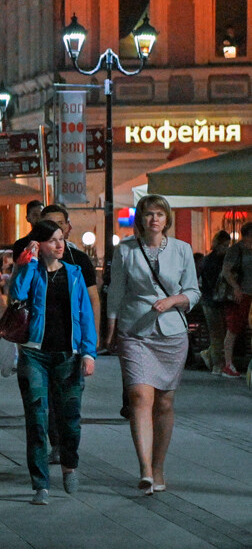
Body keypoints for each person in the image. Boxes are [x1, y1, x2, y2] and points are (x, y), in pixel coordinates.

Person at [105, 194, 201, 495]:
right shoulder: (126, 251)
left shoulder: (182, 250)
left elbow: (194, 292)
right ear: (140, 219)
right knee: (138, 396)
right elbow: (115, 292)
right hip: (135, 330)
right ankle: (145, 469)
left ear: (167, 219)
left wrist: (173, 300)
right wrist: (110, 330)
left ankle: (159, 467)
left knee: (164, 402)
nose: (154, 219)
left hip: (172, 332)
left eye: (159, 214)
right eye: (148, 214)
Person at [7, 220, 97, 505]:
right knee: (36, 419)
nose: (60, 245)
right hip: (33, 354)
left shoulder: (74, 273)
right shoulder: (29, 271)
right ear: (39, 244)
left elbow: (84, 314)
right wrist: (28, 262)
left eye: (61, 239)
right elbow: (17, 296)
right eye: (53, 241)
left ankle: (70, 465)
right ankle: (40, 485)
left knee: (70, 418)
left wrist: (88, 352)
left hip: (67, 356)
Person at [40, 204, 101, 351]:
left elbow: (92, 299)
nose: (55, 228)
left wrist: (94, 336)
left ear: (68, 227)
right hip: (36, 340)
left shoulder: (79, 259)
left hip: (72, 338)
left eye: (60, 223)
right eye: (50, 223)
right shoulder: (32, 259)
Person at [217, 221, 252, 378]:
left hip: (248, 293)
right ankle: (228, 364)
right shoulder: (236, 250)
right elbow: (226, 271)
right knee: (234, 327)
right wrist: (236, 287)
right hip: (239, 295)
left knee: (241, 326)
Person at [197, 229, 233, 374]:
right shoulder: (212, 262)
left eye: (228, 245)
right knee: (217, 334)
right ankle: (217, 364)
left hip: (213, 300)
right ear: (218, 244)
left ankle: (210, 356)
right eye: (224, 245)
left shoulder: (215, 260)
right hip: (211, 301)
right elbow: (212, 284)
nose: (226, 248)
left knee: (219, 333)